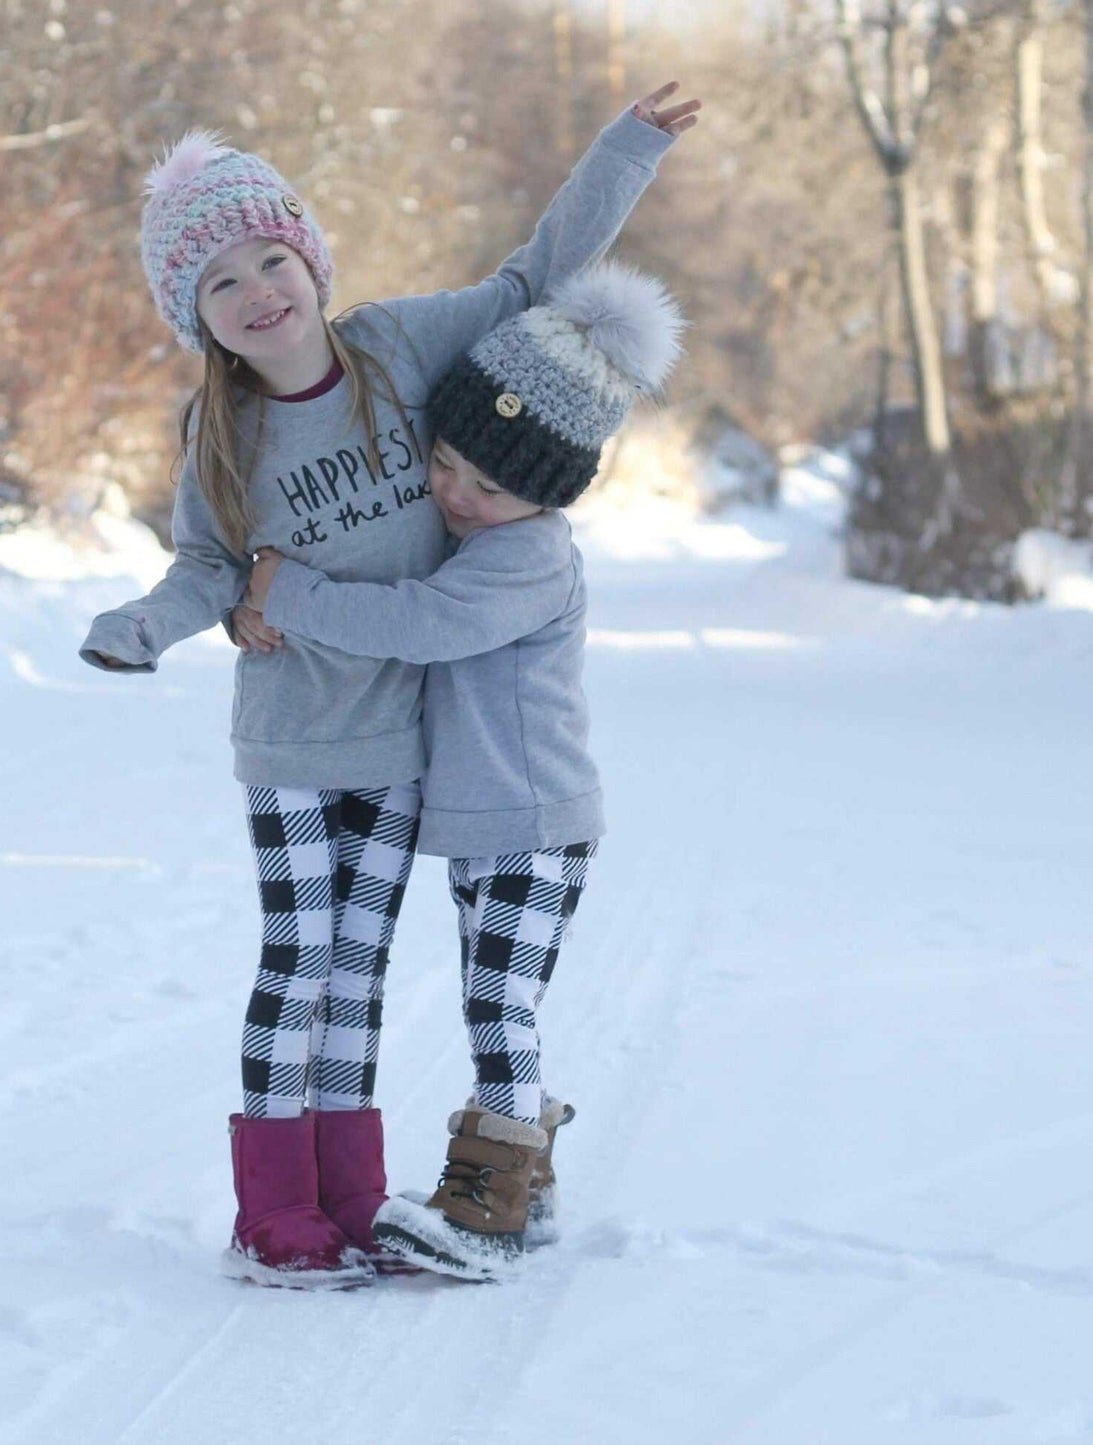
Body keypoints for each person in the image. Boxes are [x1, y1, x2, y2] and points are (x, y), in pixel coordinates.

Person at [80, 88, 700, 1290]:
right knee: (296, 957)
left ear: (309, 253)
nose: (259, 290)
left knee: (358, 970)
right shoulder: (216, 425)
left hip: (402, 742)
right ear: (196, 319)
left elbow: (533, 280)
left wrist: (624, 147)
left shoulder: (399, 348)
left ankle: (354, 1193)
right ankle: (274, 1205)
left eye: (272, 256)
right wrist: (145, 627)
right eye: (220, 284)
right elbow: (212, 563)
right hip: (294, 735)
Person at [245, 259, 685, 1279]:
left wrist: (295, 593)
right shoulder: (482, 531)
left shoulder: (523, 557)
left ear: (545, 493)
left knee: (498, 1002)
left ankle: (486, 1203)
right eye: (444, 464)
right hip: (491, 822)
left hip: (532, 819)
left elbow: (422, 623)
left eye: (486, 486)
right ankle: (521, 1194)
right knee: (496, 998)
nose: (455, 493)